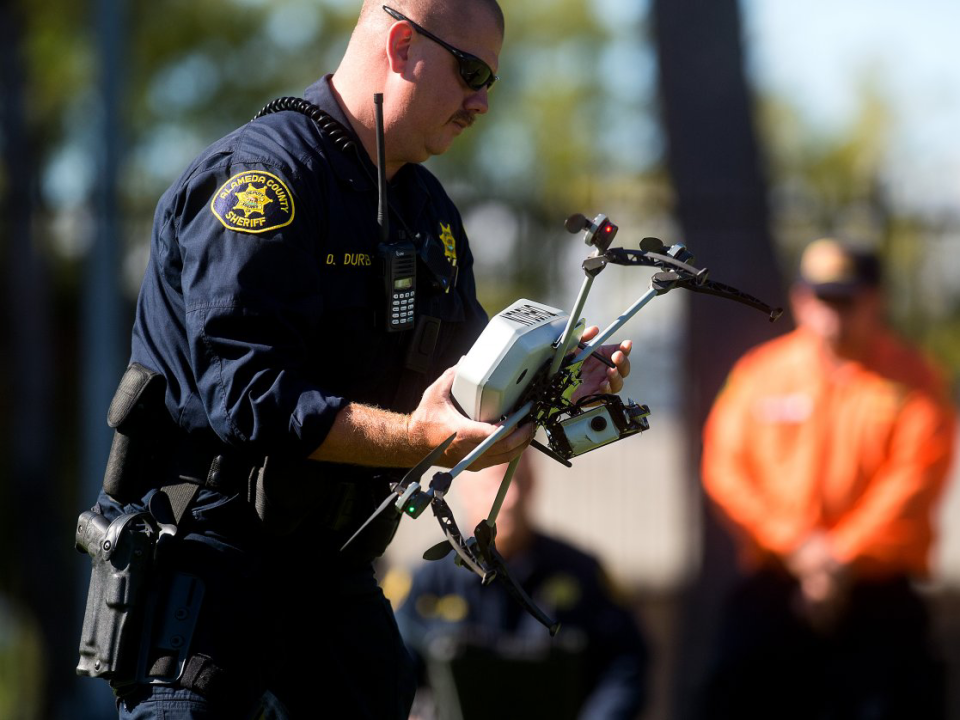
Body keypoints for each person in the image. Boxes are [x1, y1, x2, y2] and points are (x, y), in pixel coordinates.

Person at [77, 1, 633, 719]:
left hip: (335, 586)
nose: (482, 101)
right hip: (213, 586)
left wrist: (558, 386)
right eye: (470, 71)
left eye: (491, 78)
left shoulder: (427, 210)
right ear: (403, 44)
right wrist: (417, 439)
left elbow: (467, 383)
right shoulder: (261, 182)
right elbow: (250, 399)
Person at [699, 237, 956, 719]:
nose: (830, 312)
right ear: (800, 299)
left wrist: (840, 557)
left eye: (845, 298)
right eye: (820, 297)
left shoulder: (915, 379)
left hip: (876, 601)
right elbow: (725, 468)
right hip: (775, 590)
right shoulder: (760, 374)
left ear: (875, 300)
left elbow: (915, 480)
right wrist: (797, 547)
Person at [391, 456, 650, 720]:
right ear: (463, 489)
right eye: (495, 485)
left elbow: (624, 670)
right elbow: (391, 680)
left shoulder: (583, 575)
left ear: (535, 484)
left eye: (519, 481)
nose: (511, 498)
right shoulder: (424, 585)